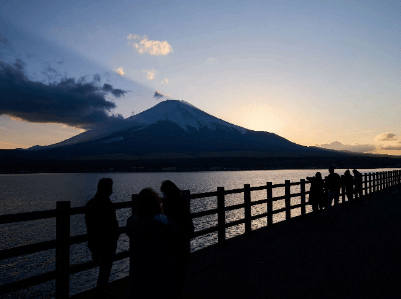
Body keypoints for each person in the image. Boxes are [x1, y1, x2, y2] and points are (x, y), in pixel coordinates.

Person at [126, 188, 175, 299]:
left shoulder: (132, 221)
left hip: (138, 268)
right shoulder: (165, 221)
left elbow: (128, 232)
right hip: (160, 267)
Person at [85, 178, 119, 297]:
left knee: (103, 268)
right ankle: (102, 292)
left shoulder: (91, 203)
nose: (112, 189)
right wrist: (115, 236)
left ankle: (101, 291)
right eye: (110, 187)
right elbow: (112, 224)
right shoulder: (107, 204)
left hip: (95, 242)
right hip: (107, 242)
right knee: (105, 268)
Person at [161, 180, 195, 298]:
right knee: (181, 264)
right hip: (183, 235)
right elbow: (187, 217)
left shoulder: (168, 203)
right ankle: (178, 289)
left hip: (174, 236)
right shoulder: (181, 200)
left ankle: (174, 289)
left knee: (174, 264)